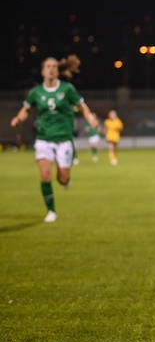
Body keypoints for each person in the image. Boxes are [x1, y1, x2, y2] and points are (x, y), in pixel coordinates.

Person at [9, 55, 99, 222]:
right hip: (44, 138)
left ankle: (66, 181)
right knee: (45, 175)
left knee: (62, 178)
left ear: (58, 71)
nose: (51, 69)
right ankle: (51, 211)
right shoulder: (35, 92)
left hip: (64, 139)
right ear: (43, 71)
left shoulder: (67, 89)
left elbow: (82, 107)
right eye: (48, 66)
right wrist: (17, 118)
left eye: (54, 67)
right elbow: (26, 109)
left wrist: (92, 119)